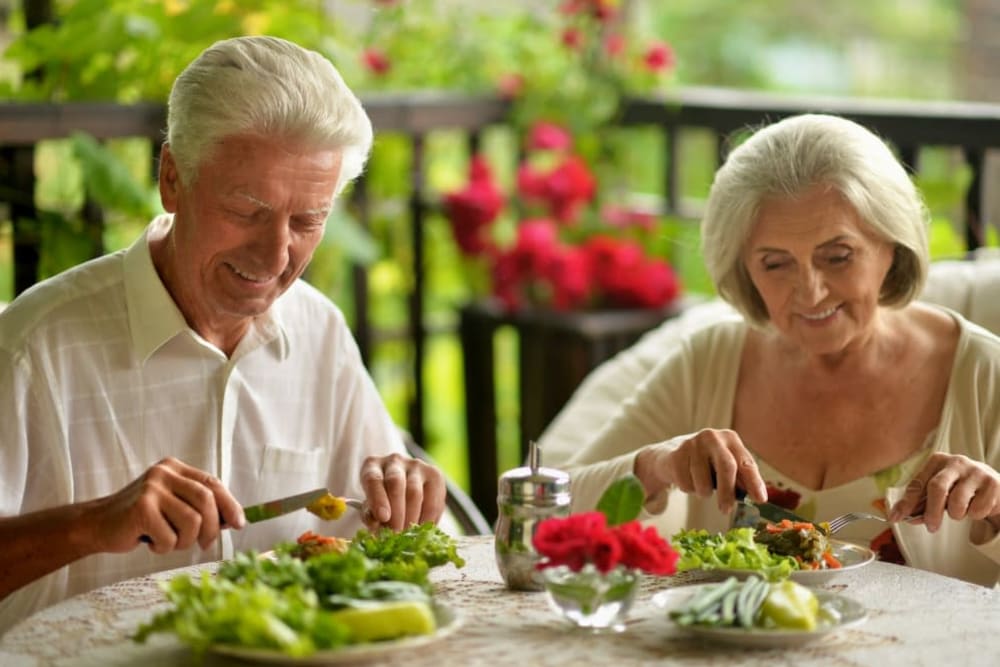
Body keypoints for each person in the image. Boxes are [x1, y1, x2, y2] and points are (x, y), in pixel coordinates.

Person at [0, 35, 445, 631]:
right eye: (246, 211)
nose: (276, 253)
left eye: (308, 220)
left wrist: (403, 491)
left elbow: (371, 526)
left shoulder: (319, 332)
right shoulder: (33, 348)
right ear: (172, 179)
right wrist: (89, 526)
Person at [552, 113, 1000, 586]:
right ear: (743, 268)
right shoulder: (710, 361)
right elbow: (542, 517)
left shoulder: (983, 373)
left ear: (893, 245)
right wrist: (655, 466)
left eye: (837, 256)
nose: (809, 292)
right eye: (775, 263)